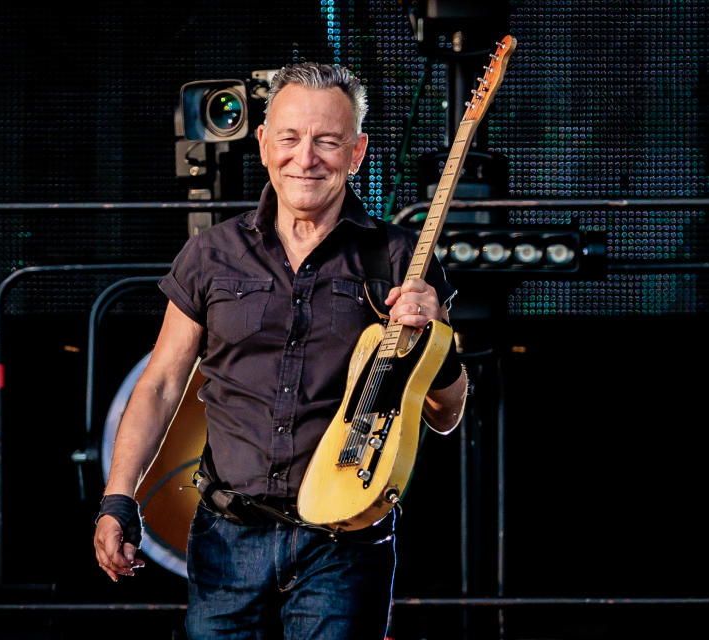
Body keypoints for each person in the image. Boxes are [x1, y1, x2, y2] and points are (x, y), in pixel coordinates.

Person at [94, 62, 468, 640]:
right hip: (225, 541)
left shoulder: (399, 260)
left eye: (328, 141)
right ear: (265, 144)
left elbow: (446, 414)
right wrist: (119, 499)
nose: (307, 157)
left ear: (357, 151)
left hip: (344, 547)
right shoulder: (212, 255)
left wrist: (434, 336)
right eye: (290, 138)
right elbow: (163, 383)